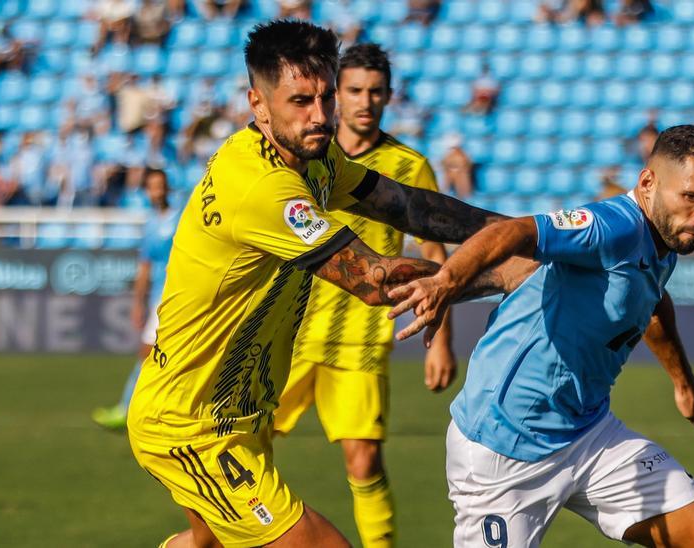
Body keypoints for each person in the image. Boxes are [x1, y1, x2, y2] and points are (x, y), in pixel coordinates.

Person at [126, 21, 505, 548]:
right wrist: (506, 273)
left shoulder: (317, 155)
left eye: (326, 96)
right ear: (257, 104)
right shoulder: (262, 186)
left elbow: (409, 206)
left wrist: (518, 234)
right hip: (191, 425)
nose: (321, 115)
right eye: (300, 100)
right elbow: (375, 280)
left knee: (202, 544)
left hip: (239, 410)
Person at [387, 125, 694, 548]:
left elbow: (652, 301)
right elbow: (516, 231)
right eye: (693, 197)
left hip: (587, 432)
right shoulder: (614, 225)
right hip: (504, 446)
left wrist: (684, 381)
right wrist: (447, 280)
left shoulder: (667, 235)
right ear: (648, 182)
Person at [272, 44, 455, 548]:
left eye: (376, 91)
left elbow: (435, 254)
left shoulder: (408, 165)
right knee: (239, 448)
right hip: (287, 334)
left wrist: (440, 341)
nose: (365, 101)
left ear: (390, 96)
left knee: (364, 459)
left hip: (359, 340)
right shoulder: (302, 155)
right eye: (354, 90)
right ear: (336, 94)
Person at [93, 169, 181, 430]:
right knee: (151, 353)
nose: (158, 191)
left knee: (149, 352)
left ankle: (129, 409)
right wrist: (137, 303)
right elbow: (144, 267)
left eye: (161, 186)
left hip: (176, 293)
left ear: (168, 188)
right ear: (146, 192)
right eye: (152, 187)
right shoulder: (152, 224)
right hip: (158, 296)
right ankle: (138, 409)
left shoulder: (181, 217)